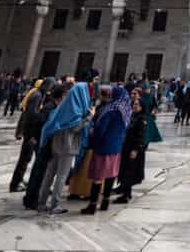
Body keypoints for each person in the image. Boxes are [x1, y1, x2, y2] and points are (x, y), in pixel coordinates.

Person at [37, 83, 91, 214]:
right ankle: (54, 205)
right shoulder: (75, 109)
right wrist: (89, 117)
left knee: (49, 174)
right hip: (68, 147)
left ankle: (42, 202)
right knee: (62, 176)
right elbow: (75, 128)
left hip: (56, 144)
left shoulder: (62, 106)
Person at [82, 85, 131, 214]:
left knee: (98, 176)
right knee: (110, 175)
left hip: (104, 146)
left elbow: (100, 129)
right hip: (116, 147)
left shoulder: (110, 110)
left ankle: (92, 205)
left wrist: (92, 133)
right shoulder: (126, 110)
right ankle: (105, 202)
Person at [10, 77, 53, 192]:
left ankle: (19, 180)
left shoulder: (38, 94)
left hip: (31, 131)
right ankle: (15, 184)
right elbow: (31, 114)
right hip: (31, 132)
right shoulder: (37, 95)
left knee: (28, 158)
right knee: (25, 158)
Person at [116, 90, 147, 203]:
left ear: (141, 107)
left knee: (129, 171)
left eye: (137, 105)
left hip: (133, 149)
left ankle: (125, 195)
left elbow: (141, 136)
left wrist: (135, 149)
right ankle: (125, 192)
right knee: (125, 170)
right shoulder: (132, 116)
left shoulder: (141, 119)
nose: (134, 106)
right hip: (127, 147)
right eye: (134, 104)